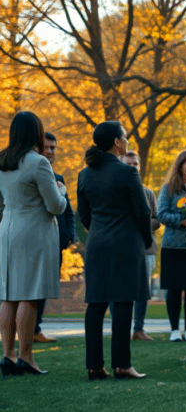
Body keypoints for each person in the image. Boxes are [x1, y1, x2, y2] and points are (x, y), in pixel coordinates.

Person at [77, 121, 153, 380]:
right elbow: (142, 211)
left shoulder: (84, 175)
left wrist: (98, 230)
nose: (127, 140)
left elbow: (84, 214)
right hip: (125, 243)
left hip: (96, 243)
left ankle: (94, 366)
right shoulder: (127, 173)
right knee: (123, 301)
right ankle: (122, 365)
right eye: (125, 136)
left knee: (95, 303)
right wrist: (146, 238)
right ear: (117, 142)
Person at [0, 112, 67, 377]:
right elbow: (55, 206)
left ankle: (8, 355)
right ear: (36, 133)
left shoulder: (2, 161)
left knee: (7, 295)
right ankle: (26, 357)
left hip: (7, 229)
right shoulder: (38, 163)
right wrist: (61, 190)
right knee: (29, 294)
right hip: (33, 231)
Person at [110, 152, 160, 342]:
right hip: (120, 248)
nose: (133, 167)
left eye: (135, 164)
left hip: (145, 248)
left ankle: (138, 329)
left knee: (142, 290)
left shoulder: (148, 193)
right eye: (128, 163)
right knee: (117, 288)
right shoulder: (114, 192)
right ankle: (118, 327)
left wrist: (141, 224)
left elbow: (157, 219)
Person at [33, 132, 76, 344]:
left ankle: (35, 329)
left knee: (44, 288)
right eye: (47, 147)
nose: (51, 152)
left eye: (54, 148)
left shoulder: (58, 178)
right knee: (30, 287)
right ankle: (27, 329)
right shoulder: (31, 174)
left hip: (56, 242)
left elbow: (68, 213)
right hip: (35, 239)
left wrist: (69, 235)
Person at [157, 150, 186, 342]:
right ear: (180, 166)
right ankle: (175, 330)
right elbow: (161, 214)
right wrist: (182, 220)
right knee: (174, 289)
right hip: (173, 247)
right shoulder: (169, 189)